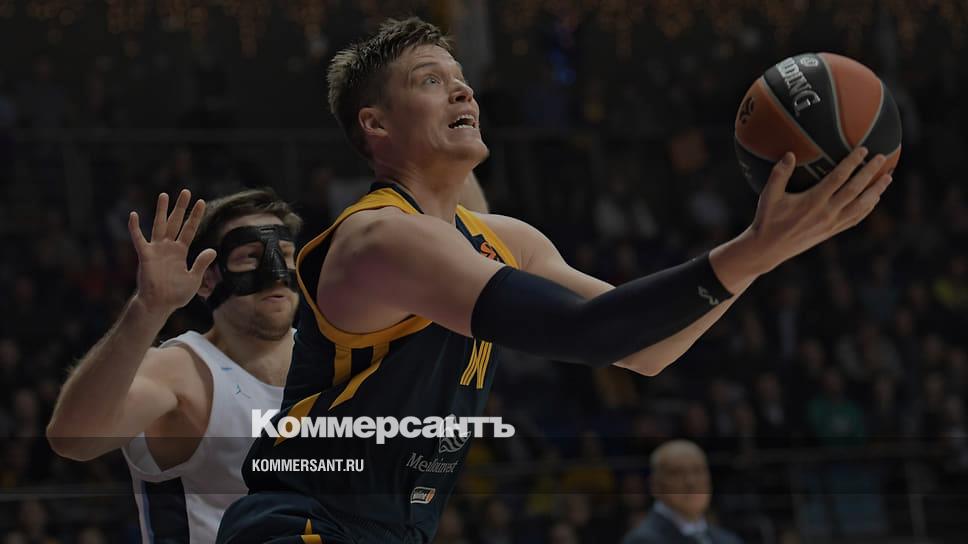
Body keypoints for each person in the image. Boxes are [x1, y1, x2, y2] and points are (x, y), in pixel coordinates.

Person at [216, 17, 893, 544]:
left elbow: (648, 348)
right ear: (376, 124)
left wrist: (770, 250)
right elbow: (589, 331)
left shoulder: (505, 240)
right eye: (429, 80)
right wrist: (755, 246)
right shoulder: (380, 238)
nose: (463, 90)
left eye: (461, 79)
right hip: (301, 523)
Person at [46, 188, 302, 542]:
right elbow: (73, 440)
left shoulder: (336, 361)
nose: (276, 274)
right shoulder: (180, 371)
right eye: (249, 257)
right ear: (207, 279)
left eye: (285, 255)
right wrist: (148, 308)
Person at [622, 440, 743, 544]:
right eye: (677, 472)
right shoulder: (642, 541)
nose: (691, 482)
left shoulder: (729, 540)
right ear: (655, 485)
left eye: (698, 470)